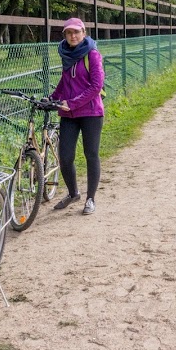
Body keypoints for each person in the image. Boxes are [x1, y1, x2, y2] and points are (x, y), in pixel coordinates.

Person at [50, 17, 104, 215]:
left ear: (84, 33)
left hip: (91, 113)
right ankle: (73, 193)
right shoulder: (66, 54)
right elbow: (65, 82)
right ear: (65, 35)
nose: (73, 36)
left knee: (91, 155)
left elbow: (96, 86)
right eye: (68, 33)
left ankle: (90, 198)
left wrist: (71, 103)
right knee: (65, 157)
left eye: (76, 32)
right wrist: (52, 98)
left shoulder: (92, 54)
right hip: (69, 114)